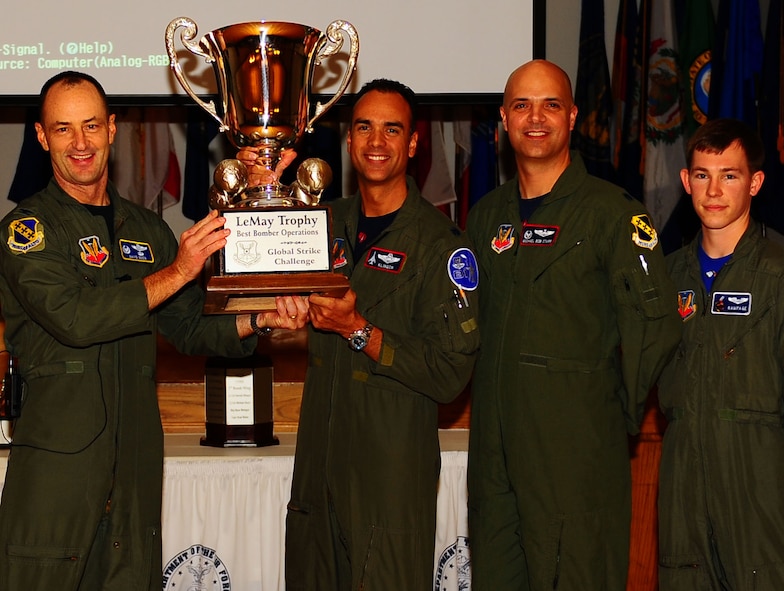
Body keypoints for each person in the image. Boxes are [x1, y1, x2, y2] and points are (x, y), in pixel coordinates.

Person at [0, 71, 308, 591]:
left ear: (113, 129)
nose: (80, 143)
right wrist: (179, 271)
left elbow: (188, 328)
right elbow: (77, 319)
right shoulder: (26, 232)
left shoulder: (146, 230)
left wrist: (258, 319)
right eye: (63, 129)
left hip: (136, 472)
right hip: (58, 479)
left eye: (92, 126)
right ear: (41, 136)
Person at [244, 78, 480, 589]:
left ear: (413, 145)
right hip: (317, 473)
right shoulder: (319, 224)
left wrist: (359, 330)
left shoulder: (441, 245)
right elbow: (243, 272)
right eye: (364, 127)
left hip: (388, 482)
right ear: (349, 141)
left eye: (391, 129)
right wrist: (257, 190)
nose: (376, 141)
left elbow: (449, 376)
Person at [465, 59, 681, 590]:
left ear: (573, 117)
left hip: (576, 456)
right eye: (522, 105)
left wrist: (608, 414)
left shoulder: (613, 214)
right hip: (495, 457)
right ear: (503, 119)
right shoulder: (485, 216)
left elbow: (656, 327)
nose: (535, 118)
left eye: (550, 105)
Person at [657, 118, 784, 590]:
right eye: (703, 175)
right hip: (684, 483)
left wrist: (774, 474)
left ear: (754, 182)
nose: (714, 190)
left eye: (729, 175)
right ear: (686, 181)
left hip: (760, 487)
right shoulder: (667, 279)